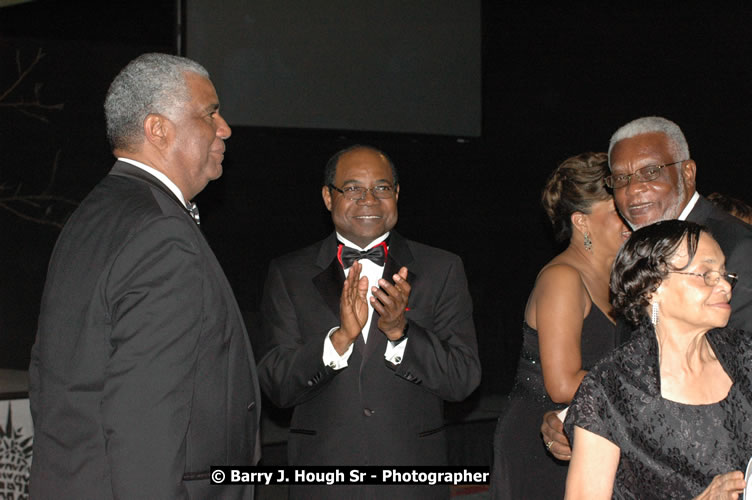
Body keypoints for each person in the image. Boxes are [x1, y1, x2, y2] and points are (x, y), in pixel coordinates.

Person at [28, 53, 260, 499]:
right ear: (158, 129)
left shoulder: (93, 215)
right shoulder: (160, 234)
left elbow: (52, 380)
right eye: (211, 113)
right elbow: (145, 422)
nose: (225, 128)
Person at [256, 145, 481, 499]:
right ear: (328, 198)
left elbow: (463, 380)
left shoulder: (442, 268)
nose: (369, 199)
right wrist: (338, 341)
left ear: (397, 194)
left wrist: (400, 333)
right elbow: (277, 386)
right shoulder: (289, 273)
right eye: (353, 189)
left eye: (382, 188)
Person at [542, 115, 752, 461]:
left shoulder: (735, 247)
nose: (633, 189)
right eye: (620, 178)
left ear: (687, 173)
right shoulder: (638, 252)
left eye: (650, 172)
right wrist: (578, 415)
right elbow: (637, 364)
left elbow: (734, 383)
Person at [564, 220, 751, 499]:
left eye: (724, 274)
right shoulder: (612, 389)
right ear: (653, 288)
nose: (724, 285)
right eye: (706, 274)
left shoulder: (745, 355)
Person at [490, 153, 630, 499]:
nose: (631, 217)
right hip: (546, 443)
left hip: (592, 433)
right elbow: (563, 384)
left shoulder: (621, 277)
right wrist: (649, 387)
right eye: (617, 210)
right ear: (581, 221)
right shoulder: (562, 278)